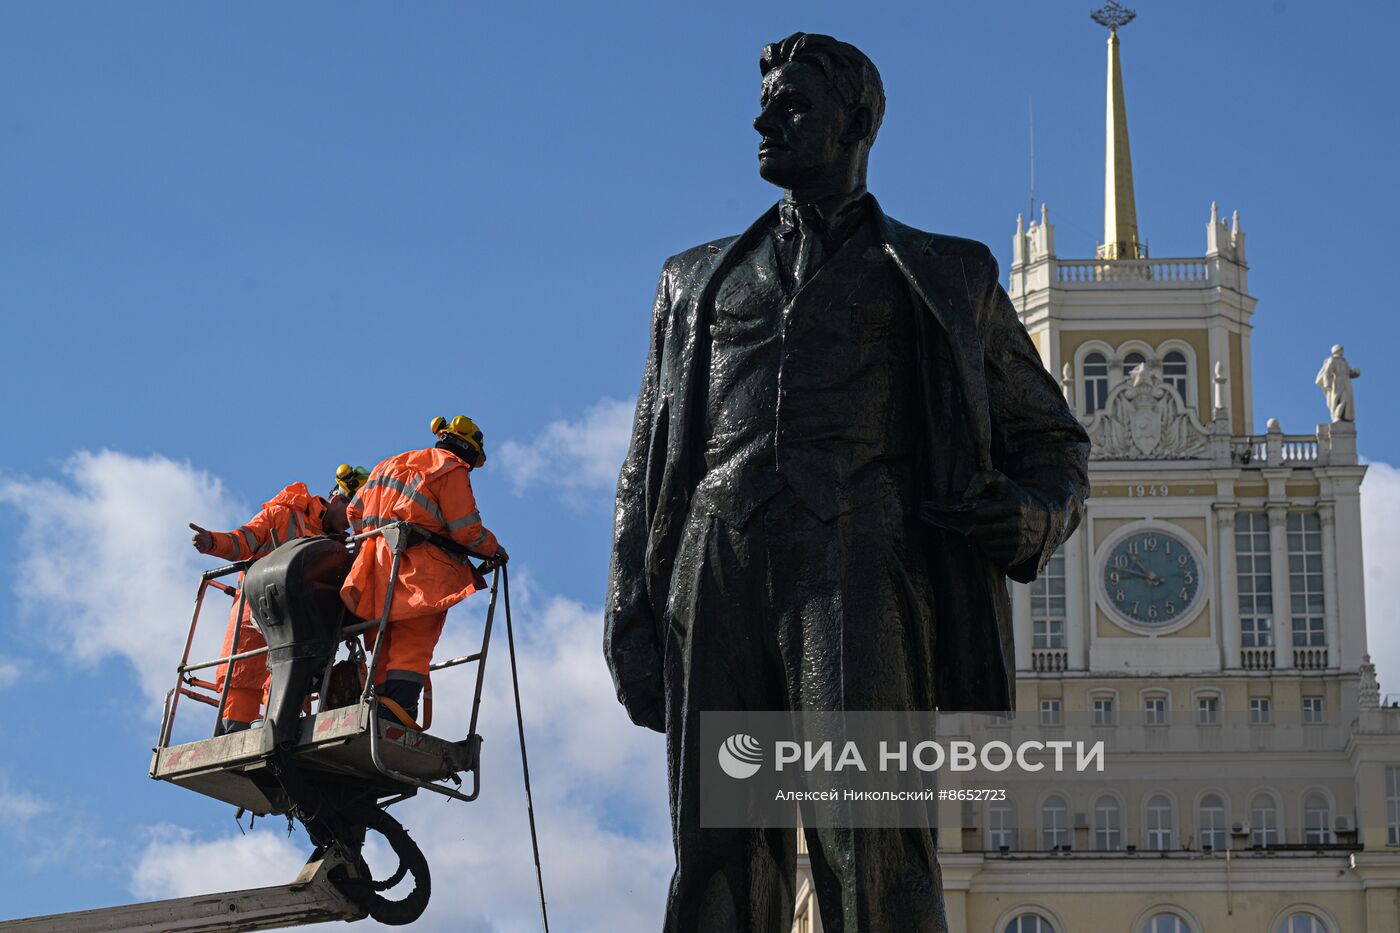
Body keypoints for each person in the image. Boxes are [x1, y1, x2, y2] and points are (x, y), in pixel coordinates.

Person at [604, 33, 1089, 933]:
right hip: (717, 568)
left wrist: (1030, 515)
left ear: (858, 122)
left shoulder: (948, 276)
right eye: (764, 106)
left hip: (860, 568)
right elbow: (647, 458)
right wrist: (629, 607)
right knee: (717, 849)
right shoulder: (692, 280)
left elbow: (1053, 441)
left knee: (866, 841)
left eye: (792, 106)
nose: (764, 124)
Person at [340, 416, 505, 723]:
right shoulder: (450, 467)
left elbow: (354, 510)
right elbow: (466, 529)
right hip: (418, 572)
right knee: (412, 644)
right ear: (469, 450)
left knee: (382, 641)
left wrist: (377, 539)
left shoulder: (388, 465)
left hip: (375, 569)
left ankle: (376, 710)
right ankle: (397, 713)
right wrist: (493, 549)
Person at [191, 478, 350, 732]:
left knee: (286, 682)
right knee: (240, 681)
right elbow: (244, 540)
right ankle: (234, 735)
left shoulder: (336, 545)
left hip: (294, 627)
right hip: (253, 614)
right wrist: (213, 542)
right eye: (350, 514)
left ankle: (275, 733)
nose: (351, 523)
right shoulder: (283, 515)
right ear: (339, 500)